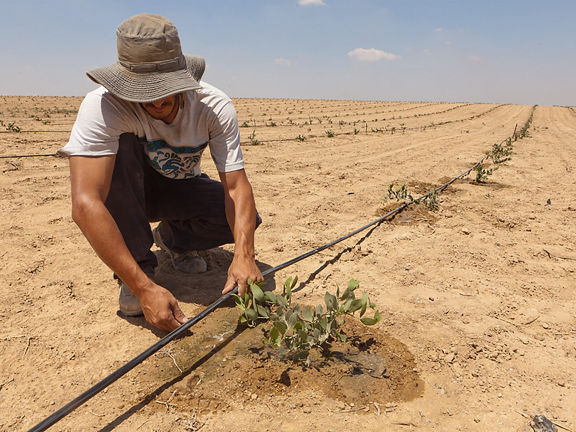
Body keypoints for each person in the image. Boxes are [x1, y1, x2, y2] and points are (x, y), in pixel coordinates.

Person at [59, 14, 263, 332]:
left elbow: (236, 188)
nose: (157, 99)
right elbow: (86, 203)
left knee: (241, 222)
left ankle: (174, 241)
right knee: (122, 147)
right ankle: (137, 270)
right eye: (144, 91)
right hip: (124, 191)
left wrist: (245, 254)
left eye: (166, 88)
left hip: (175, 184)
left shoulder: (213, 106)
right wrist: (143, 288)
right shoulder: (103, 107)